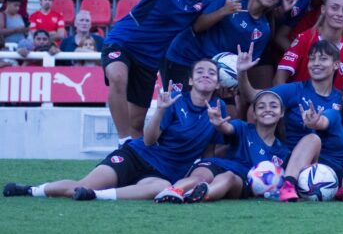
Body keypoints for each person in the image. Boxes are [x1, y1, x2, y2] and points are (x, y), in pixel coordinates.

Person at [4, 61, 225, 201]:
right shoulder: (175, 101)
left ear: (217, 83)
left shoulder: (219, 109)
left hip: (163, 174)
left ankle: (97, 197)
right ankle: (32, 190)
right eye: (200, 71)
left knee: (162, 187)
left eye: (212, 73)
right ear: (190, 79)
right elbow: (148, 141)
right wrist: (159, 111)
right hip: (136, 156)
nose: (206, 75)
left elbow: (208, 154)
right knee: (81, 186)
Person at [101, 0, 220, 140]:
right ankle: (123, 141)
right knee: (117, 77)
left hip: (149, 61)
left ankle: (134, 159)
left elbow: (200, 25)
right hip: (123, 41)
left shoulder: (203, 4)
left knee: (137, 122)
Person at [155, 90, 291, 203]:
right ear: (254, 114)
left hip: (242, 180)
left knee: (229, 177)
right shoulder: (243, 127)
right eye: (261, 107)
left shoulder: (282, 152)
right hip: (218, 165)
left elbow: (279, 183)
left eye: (273, 106)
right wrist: (218, 123)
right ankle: (172, 192)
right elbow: (227, 128)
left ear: (282, 112)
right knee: (201, 177)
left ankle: (199, 195)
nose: (267, 110)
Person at [161, 0, 284, 90]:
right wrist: (223, 11)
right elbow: (197, 27)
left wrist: (232, 84)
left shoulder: (264, 30)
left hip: (216, 76)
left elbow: (245, 66)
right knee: (178, 106)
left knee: (227, 110)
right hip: (185, 59)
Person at [276, 0, 343, 90]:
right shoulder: (305, 39)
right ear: (323, 9)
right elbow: (279, 79)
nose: (340, 14)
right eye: (334, 8)